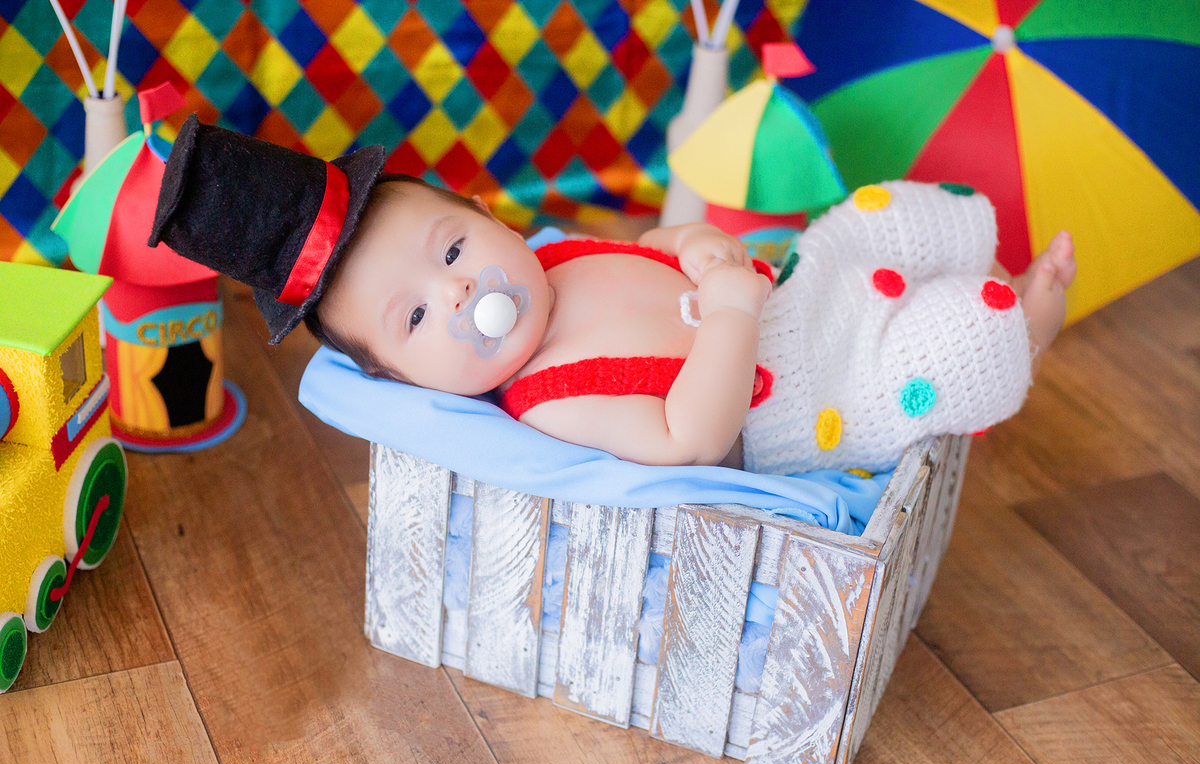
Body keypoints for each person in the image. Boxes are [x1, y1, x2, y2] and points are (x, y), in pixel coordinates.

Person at [150, 117, 1075, 474]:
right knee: (944, 347)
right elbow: (691, 437)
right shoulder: (556, 399)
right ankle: (1021, 322)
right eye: (419, 316)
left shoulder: (561, 258)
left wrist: (693, 244)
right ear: (410, 381)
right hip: (806, 401)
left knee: (882, 218)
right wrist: (729, 313)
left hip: (795, 294)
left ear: (491, 215)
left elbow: (656, 246)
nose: (461, 285)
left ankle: (976, 243)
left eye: (455, 245)